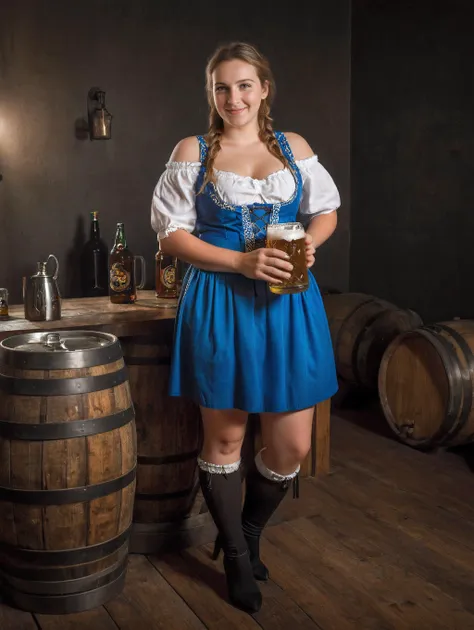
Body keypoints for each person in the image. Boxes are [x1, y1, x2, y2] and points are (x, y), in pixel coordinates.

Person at [151, 41, 340, 614]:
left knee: (292, 445)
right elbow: (169, 236)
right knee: (227, 438)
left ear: (264, 89)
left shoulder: (294, 147)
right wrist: (238, 261)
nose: (234, 97)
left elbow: (326, 209)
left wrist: (311, 239)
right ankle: (235, 554)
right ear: (211, 95)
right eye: (221, 87)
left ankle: (248, 530)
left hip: (288, 301)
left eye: (244, 85)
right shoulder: (193, 150)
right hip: (220, 298)